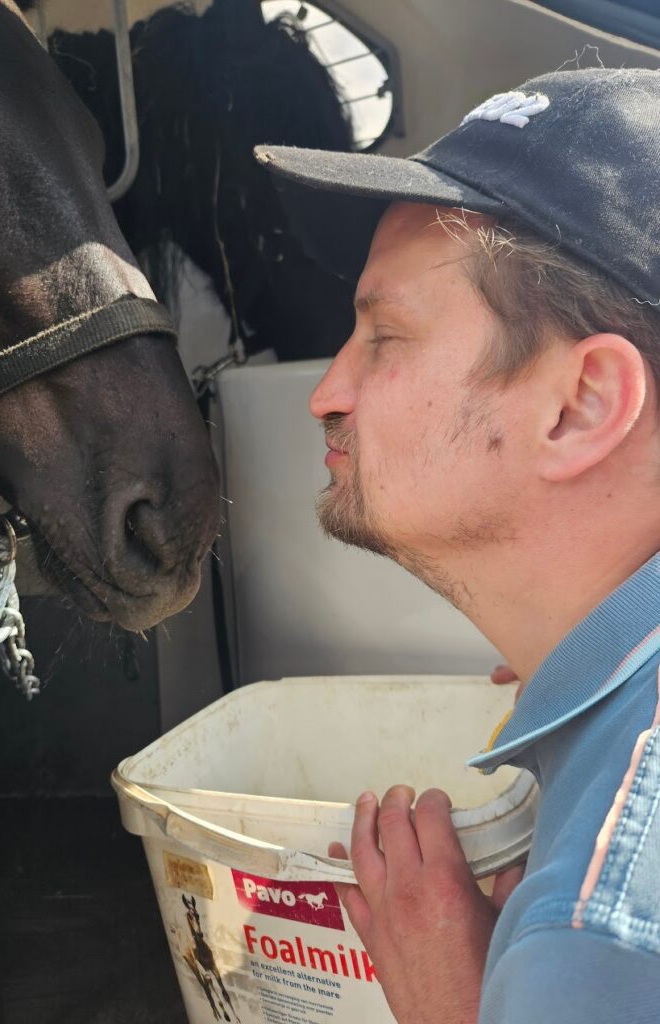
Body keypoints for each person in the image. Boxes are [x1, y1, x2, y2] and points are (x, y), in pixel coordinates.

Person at [255, 68, 660, 1023]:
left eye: (384, 337)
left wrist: (458, 1010)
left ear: (580, 405)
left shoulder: (594, 930)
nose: (328, 393)